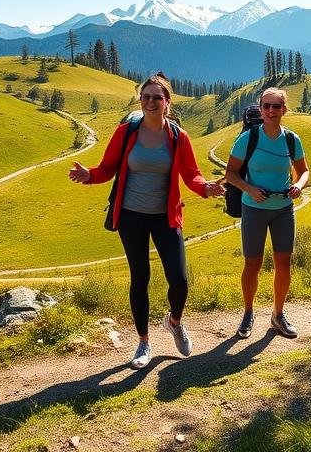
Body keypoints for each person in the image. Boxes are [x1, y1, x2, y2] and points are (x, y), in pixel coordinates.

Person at [68, 73, 223, 369]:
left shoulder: (178, 136)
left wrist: (206, 188)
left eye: (157, 97)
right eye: (146, 97)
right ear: (141, 100)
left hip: (166, 216)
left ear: (167, 102)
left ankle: (174, 321)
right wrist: (89, 175)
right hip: (131, 216)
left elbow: (191, 174)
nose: (150, 102)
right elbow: (107, 168)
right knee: (140, 278)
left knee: (179, 280)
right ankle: (143, 343)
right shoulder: (126, 132)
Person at [223, 87, 310, 340]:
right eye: (266, 106)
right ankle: (248, 313)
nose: (271, 111)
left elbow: (304, 171)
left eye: (276, 106)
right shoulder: (248, 139)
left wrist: (298, 185)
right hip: (254, 210)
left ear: (285, 110)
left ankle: (278, 315)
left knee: (284, 264)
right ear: (260, 110)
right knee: (253, 264)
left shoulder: (292, 140)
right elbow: (231, 173)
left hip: (283, 210)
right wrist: (250, 189)